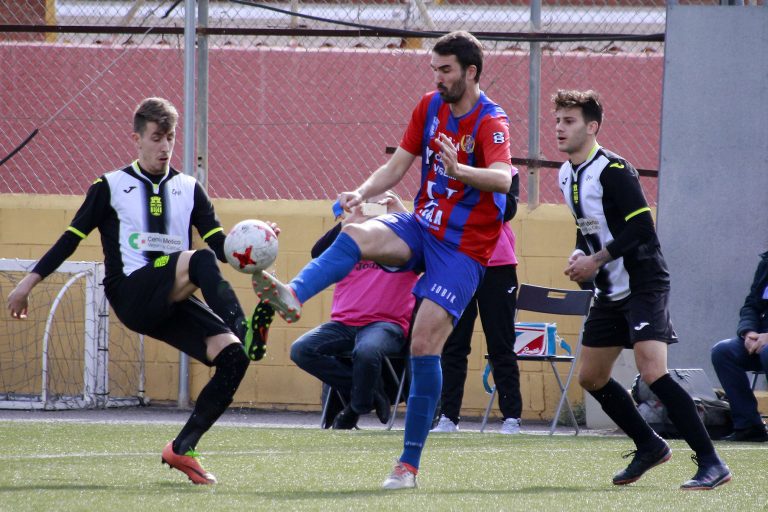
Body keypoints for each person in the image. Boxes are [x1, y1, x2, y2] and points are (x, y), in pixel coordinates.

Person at [253, 31, 513, 489]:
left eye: (445, 69)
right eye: (434, 69)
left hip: (463, 250)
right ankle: (293, 293)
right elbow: (397, 166)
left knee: (424, 344)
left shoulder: (491, 121)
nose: (437, 77)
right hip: (422, 225)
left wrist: (459, 171)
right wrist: (363, 191)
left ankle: (407, 466)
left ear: (471, 72)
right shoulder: (429, 106)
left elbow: (502, 179)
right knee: (355, 233)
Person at [6, 97, 273, 485]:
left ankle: (182, 448)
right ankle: (245, 327)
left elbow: (220, 244)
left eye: (170, 137)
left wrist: (255, 248)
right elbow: (70, 238)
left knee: (234, 357)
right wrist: (28, 284)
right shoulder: (110, 185)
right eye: (156, 137)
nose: (164, 146)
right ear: (137, 138)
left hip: (172, 292)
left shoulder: (189, 187)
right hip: (131, 292)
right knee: (196, 261)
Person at [553, 89, 731, 490]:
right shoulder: (566, 175)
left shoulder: (614, 169)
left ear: (592, 126)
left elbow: (641, 227)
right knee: (592, 377)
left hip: (644, 282)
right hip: (610, 292)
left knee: (653, 371)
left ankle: (711, 463)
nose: (561, 128)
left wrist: (595, 260)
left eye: (570, 121)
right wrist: (578, 254)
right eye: (558, 121)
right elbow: (590, 230)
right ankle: (650, 446)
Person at [290, 192, 418, 429]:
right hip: (343, 323)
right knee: (301, 350)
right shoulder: (349, 241)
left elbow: (426, 248)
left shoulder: (402, 243)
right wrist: (349, 221)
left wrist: (402, 214)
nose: (375, 211)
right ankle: (369, 393)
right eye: (370, 205)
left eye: (379, 207)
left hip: (385, 324)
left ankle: (355, 408)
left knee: (367, 350)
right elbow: (317, 253)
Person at [432, 171, 522, 434]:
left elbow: (507, 211)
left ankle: (512, 417)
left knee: (501, 343)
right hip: (459, 262)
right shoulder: (450, 166)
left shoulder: (507, 171)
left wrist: (477, 187)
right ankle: (448, 416)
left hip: (498, 266)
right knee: (455, 343)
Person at [711, 252, 768, 442]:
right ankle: (749, 426)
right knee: (723, 351)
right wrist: (748, 332)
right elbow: (751, 305)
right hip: (761, 338)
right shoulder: (766, 263)